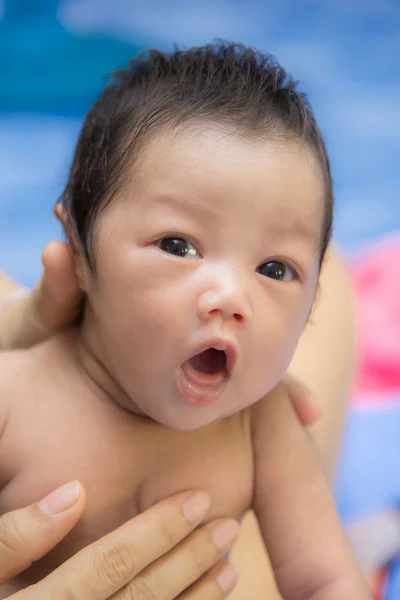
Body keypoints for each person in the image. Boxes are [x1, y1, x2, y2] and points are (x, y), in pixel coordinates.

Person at [0, 43, 368, 599]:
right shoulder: (15, 397)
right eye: (178, 245)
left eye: (275, 268)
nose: (231, 295)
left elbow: (325, 580)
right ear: (76, 246)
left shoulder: (260, 425)